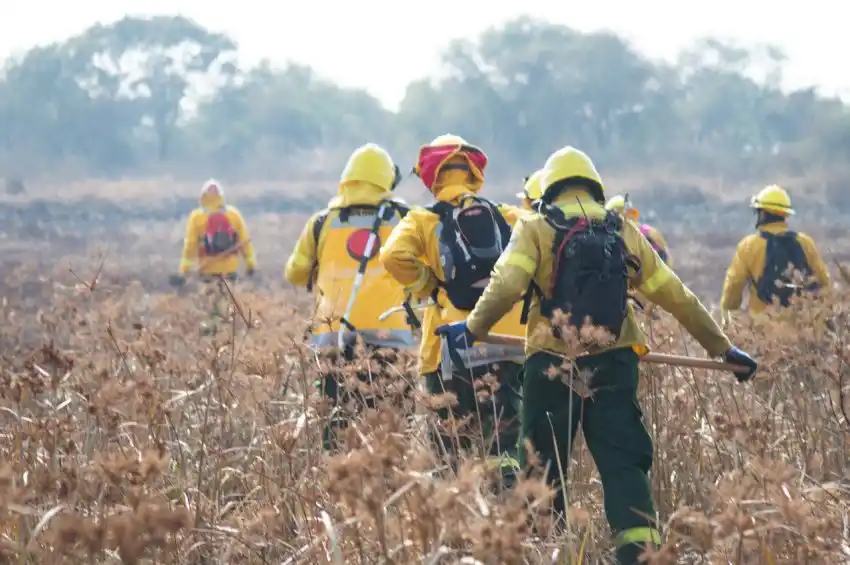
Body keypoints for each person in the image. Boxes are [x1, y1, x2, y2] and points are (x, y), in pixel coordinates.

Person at [436, 146, 758, 565]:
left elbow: (508, 282)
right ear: (594, 186)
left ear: (549, 189)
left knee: (541, 467)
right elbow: (674, 293)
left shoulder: (535, 224)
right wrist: (721, 346)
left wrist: (472, 329)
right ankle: (638, 554)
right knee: (625, 464)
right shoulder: (619, 229)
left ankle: (542, 552)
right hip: (615, 360)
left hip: (551, 362)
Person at [380, 134, 525, 487]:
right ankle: (508, 515)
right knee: (504, 446)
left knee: (449, 449)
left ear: (433, 176)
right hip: (508, 344)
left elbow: (391, 256)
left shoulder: (422, 220)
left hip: (448, 349)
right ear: (474, 171)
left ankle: (456, 519)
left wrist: (428, 284)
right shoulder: (508, 215)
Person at [285, 142, 415, 450]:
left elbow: (294, 274)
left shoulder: (322, 222)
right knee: (391, 419)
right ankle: (388, 479)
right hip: (390, 334)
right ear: (387, 181)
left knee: (336, 417)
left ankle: (338, 476)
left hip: (333, 334)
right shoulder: (405, 219)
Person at [720, 184, 830, 327]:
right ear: (785, 215)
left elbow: (733, 287)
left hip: (764, 329)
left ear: (762, 214)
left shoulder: (748, 246)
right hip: (802, 326)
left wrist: (728, 317)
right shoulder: (805, 242)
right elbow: (824, 282)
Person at [171, 179, 257, 335]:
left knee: (210, 308)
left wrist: (184, 272)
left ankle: (211, 340)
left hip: (207, 273)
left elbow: (190, 247)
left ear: (202, 197)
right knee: (225, 308)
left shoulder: (197, 217)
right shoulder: (233, 214)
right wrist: (251, 264)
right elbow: (245, 242)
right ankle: (223, 340)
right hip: (229, 273)